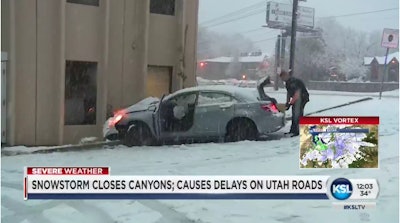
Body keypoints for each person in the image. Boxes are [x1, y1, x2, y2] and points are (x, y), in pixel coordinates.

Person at [279, 70, 309, 137]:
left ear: (286, 75)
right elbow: (289, 93)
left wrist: (290, 103)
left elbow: (297, 94)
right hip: (297, 97)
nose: (282, 80)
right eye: (281, 79)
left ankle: (297, 131)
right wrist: (287, 101)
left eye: (283, 78)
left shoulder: (294, 82)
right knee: (295, 113)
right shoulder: (287, 83)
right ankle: (293, 130)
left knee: (297, 114)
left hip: (302, 97)